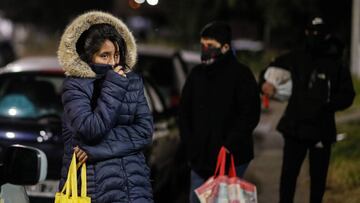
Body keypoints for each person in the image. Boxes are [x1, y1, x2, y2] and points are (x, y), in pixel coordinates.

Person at [57, 11, 154, 202]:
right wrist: (114, 86)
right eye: (104, 56)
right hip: (94, 189)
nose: (113, 63)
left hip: (135, 188)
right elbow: (91, 129)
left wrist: (95, 150)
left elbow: (144, 132)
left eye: (116, 55)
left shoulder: (133, 82)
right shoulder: (75, 86)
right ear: (89, 57)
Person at [260, 17, 355, 203]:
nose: (314, 37)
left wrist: (327, 102)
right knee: (288, 176)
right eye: (310, 32)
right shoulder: (296, 57)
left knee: (317, 182)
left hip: (321, 131)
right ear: (305, 33)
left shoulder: (335, 64)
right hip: (295, 129)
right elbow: (269, 71)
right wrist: (264, 83)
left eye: (318, 33)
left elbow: (347, 95)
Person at [179, 21, 260, 203]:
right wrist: (191, 145)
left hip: (232, 158)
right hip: (200, 160)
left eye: (210, 46)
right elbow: (184, 112)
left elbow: (250, 114)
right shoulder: (197, 75)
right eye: (202, 45)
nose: (204, 49)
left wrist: (230, 144)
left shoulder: (241, 75)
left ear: (225, 47)